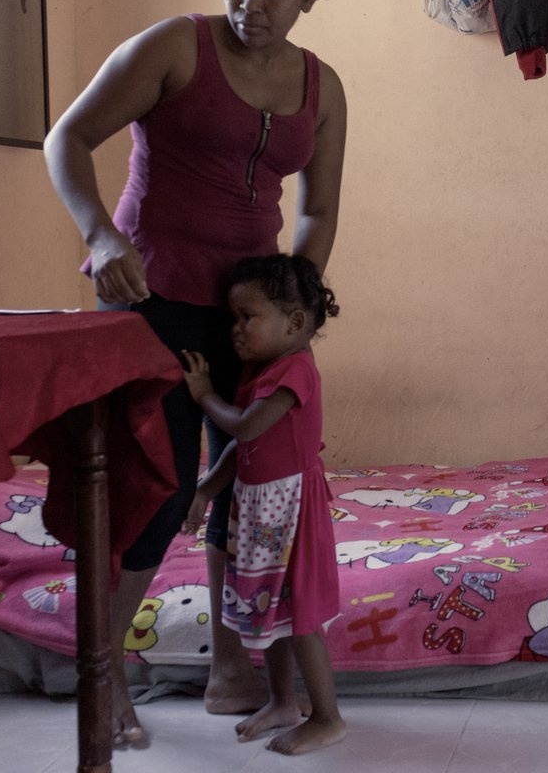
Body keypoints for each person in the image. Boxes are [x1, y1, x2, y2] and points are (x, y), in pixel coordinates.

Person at [43, 0, 346, 745]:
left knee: (245, 482)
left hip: (249, 316)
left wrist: (298, 311)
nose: (252, 3)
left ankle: (229, 667)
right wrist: (101, 235)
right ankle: (102, 681)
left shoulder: (321, 88)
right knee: (161, 480)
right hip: (154, 296)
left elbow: (317, 209)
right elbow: (67, 138)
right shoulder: (175, 47)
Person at [180, 253, 345, 755]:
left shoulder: (295, 371)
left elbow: (247, 426)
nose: (236, 329)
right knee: (271, 610)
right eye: (233, 317)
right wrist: (207, 489)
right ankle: (281, 700)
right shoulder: (264, 368)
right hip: (260, 508)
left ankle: (328, 717)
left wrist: (204, 395)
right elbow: (243, 447)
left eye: (247, 317)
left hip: (291, 510)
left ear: (295, 323)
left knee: (300, 618)